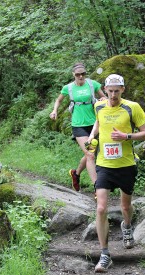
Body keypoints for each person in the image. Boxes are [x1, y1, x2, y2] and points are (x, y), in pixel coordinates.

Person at [87, 74, 145, 272]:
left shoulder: (132, 107)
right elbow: (98, 122)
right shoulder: (98, 106)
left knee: (125, 206)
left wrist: (126, 136)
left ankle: (127, 226)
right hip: (104, 164)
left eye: (117, 91)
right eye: (110, 91)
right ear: (105, 89)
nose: (113, 95)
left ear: (123, 89)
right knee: (101, 208)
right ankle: (105, 254)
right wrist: (91, 135)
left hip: (126, 164)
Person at [49, 62, 106, 193]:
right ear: (73, 75)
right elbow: (59, 100)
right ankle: (98, 188)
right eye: (78, 74)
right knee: (90, 155)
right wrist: (55, 111)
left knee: (90, 153)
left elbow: (103, 97)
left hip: (94, 124)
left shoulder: (93, 84)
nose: (81, 77)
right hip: (78, 125)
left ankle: (76, 173)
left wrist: (103, 100)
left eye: (83, 74)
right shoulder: (68, 88)